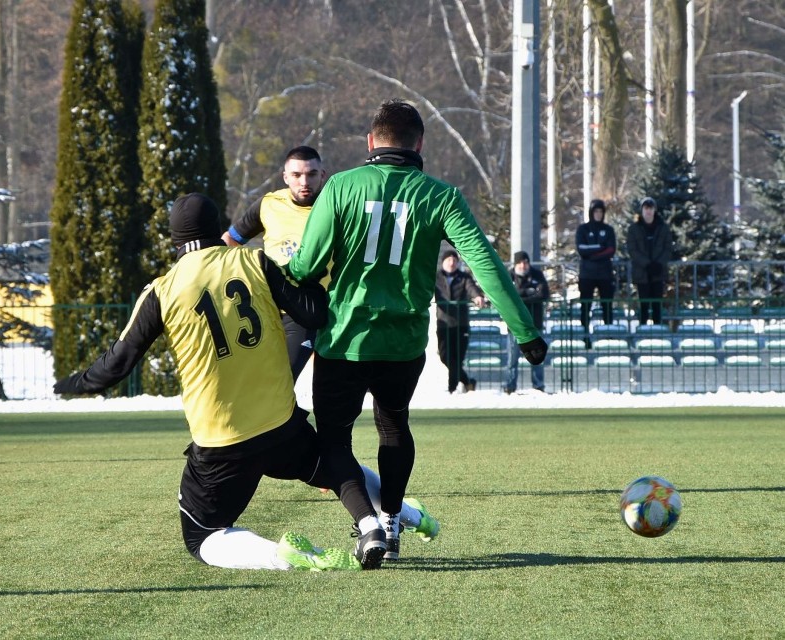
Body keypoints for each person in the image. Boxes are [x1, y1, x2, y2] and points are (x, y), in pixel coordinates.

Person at [53, 193, 434, 572]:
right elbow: (313, 315)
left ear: (174, 239)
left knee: (200, 535)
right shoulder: (254, 260)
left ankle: (281, 555)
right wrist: (319, 280)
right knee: (331, 464)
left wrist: (68, 384)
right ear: (217, 228)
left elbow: (114, 367)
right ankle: (403, 516)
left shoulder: (163, 290)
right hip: (280, 423)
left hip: (223, 438)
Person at [288, 99, 547, 569]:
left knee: (334, 440)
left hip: (345, 339)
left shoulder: (342, 186)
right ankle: (389, 520)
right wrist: (524, 330)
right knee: (393, 426)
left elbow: (305, 265)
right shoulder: (441, 196)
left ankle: (366, 526)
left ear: (370, 142)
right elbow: (484, 264)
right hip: (404, 343)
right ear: (420, 144)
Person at [221, 146, 327, 380]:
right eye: (297, 175)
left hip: (304, 311)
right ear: (285, 177)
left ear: (322, 175)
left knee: (282, 379)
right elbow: (229, 240)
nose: (304, 182)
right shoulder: (269, 204)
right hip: (264, 308)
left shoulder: (333, 208)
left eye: (311, 174)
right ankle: (293, 417)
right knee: (257, 381)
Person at [435, 249, 487, 393]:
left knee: (457, 358)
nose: (451, 263)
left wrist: (477, 296)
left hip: (461, 323)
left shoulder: (464, 277)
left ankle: (452, 389)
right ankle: (468, 382)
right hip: (443, 322)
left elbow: (472, 288)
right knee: (445, 357)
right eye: (448, 260)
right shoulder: (436, 277)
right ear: (443, 262)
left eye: (454, 260)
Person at [505, 251, 549, 395]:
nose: (523, 265)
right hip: (515, 326)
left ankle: (538, 386)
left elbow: (543, 294)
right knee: (512, 360)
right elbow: (506, 296)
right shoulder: (509, 276)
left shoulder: (537, 275)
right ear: (515, 264)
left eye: (526, 262)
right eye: (520, 262)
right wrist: (529, 293)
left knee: (537, 359)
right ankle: (510, 387)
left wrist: (520, 297)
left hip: (534, 325)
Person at [626, 196, 672, 325]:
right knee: (644, 307)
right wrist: (646, 264)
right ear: (642, 210)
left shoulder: (663, 228)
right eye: (646, 208)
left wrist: (658, 264)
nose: (648, 211)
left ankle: (658, 334)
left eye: (650, 208)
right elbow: (632, 249)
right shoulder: (634, 229)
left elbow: (668, 248)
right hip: (642, 273)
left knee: (657, 306)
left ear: (654, 210)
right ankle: (643, 334)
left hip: (658, 273)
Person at [576, 198, 616, 339]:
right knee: (585, 307)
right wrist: (600, 248)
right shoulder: (583, 229)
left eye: (601, 211)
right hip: (587, 274)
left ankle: (608, 336)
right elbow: (581, 249)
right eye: (596, 211)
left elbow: (611, 250)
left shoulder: (608, 230)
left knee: (607, 306)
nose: (598, 214)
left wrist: (592, 254)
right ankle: (585, 336)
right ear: (591, 213)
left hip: (605, 274)